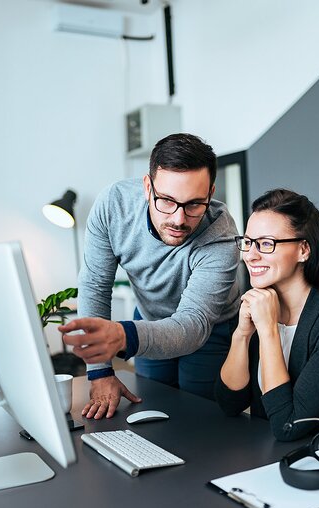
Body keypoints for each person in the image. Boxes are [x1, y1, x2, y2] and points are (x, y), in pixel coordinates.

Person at [60, 133, 240, 419]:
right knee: (152, 407)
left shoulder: (221, 237)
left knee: (201, 419)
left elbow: (192, 324)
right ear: (148, 187)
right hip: (148, 316)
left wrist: (122, 336)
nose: (179, 219)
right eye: (167, 200)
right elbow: (95, 284)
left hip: (211, 327)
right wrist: (100, 371)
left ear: (210, 193)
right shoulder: (114, 206)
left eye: (194, 204)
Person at [215, 188, 319, 441]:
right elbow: (229, 402)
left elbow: (289, 425)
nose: (250, 255)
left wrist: (267, 332)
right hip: (271, 459)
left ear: (304, 250)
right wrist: (242, 335)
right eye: (248, 242)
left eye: (266, 244)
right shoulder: (260, 305)